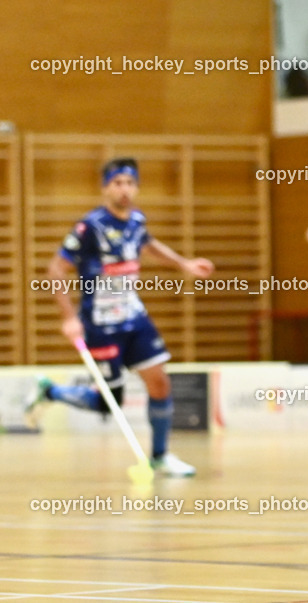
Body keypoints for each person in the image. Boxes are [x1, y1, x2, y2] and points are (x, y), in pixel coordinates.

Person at [24, 158, 214, 477]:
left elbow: (149, 245)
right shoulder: (90, 227)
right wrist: (69, 317)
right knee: (107, 402)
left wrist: (184, 264)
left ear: (137, 187)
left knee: (160, 382)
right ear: (105, 188)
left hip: (134, 318)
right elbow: (56, 269)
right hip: (100, 324)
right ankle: (51, 392)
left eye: (129, 183)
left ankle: (160, 456)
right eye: (117, 183)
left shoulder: (137, 221)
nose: (124, 189)